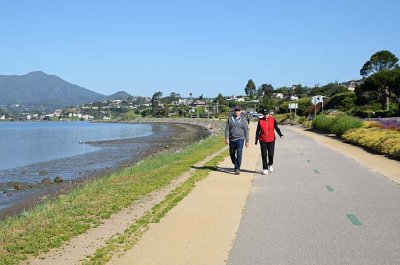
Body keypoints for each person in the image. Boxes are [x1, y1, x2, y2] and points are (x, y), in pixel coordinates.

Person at [255, 107, 283, 175]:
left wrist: (280, 134)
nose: (265, 115)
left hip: (271, 139)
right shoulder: (260, 120)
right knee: (264, 155)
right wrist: (256, 140)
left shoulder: (272, 119)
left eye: (266, 114)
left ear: (269, 113)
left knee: (271, 154)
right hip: (263, 139)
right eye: (264, 114)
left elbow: (276, 127)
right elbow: (258, 130)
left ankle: (270, 164)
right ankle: (265, 168)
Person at [225, 106, 249, 175]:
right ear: (234, 111)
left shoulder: (243, 119)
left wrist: (247, 141)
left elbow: (246, 130)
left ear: (240, 111)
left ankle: (237, 168)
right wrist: (226, 138)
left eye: (238, 111)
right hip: (232, 139)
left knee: (239, 152)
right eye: (235, 110)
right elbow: (227, 129)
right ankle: (236, 163)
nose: (236, 112)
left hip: (240, 139)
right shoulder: (230, 119)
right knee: (231, 154)